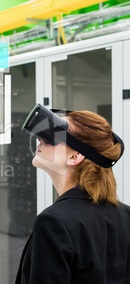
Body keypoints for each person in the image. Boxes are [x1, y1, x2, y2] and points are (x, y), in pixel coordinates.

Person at [16, 104, 130, 283]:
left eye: (51, 136)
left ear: (74, 157)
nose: (39, 139)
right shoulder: (125, 214)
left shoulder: (54, 221)